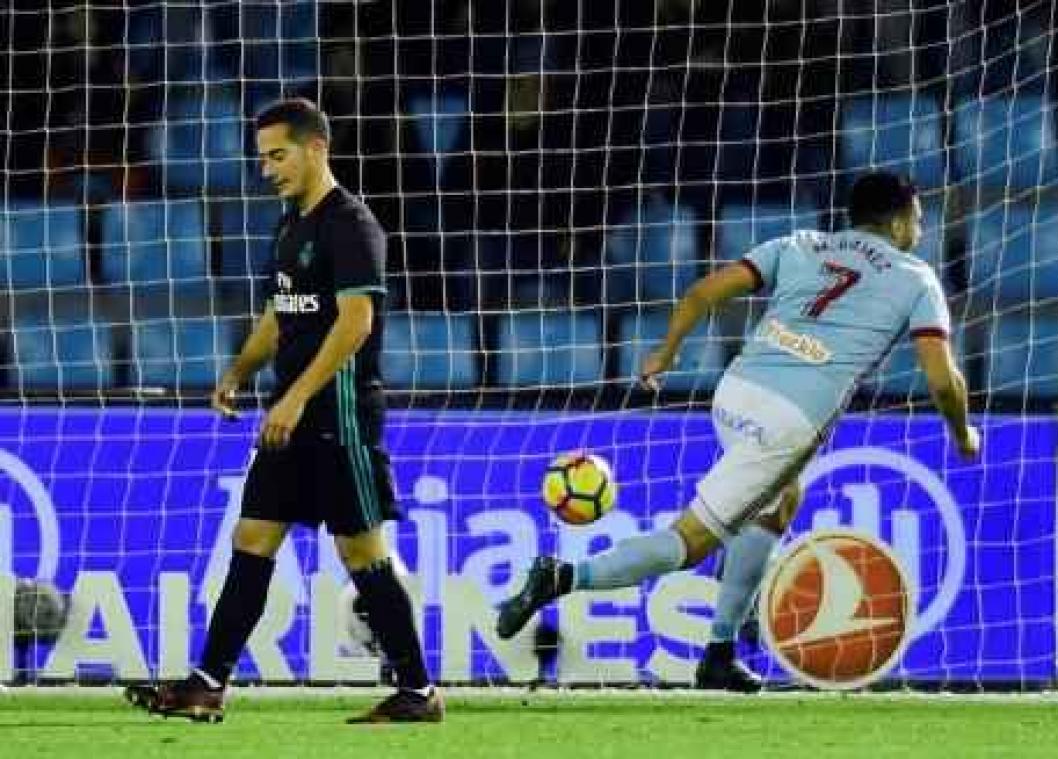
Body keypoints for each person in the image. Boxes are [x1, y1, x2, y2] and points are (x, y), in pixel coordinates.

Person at [495, 172, 980, 691]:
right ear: (901, 217)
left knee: (780, 500)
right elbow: (941, 380)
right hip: (786, 425)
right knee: (689, 544)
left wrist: (667, 350)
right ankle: (563, 577)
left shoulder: (799, 243)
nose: (921, 232)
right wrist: (961, 434)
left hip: (734, 393)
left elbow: (705, 291)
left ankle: (720, 651)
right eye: (920, 220)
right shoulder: (916, 276)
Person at [125, 99, 442, 724]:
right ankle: (206, 682)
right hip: (288, 413)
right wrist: (240, 370)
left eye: (278, 155)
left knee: (363, 553)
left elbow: (357, 322)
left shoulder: (351, 224)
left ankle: (418, 691)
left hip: (338, 414)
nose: (267, 169)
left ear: (315, 148)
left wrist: (297, 397)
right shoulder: (289, 225)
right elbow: (282, 312)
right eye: (262, 158)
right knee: (252, 537)